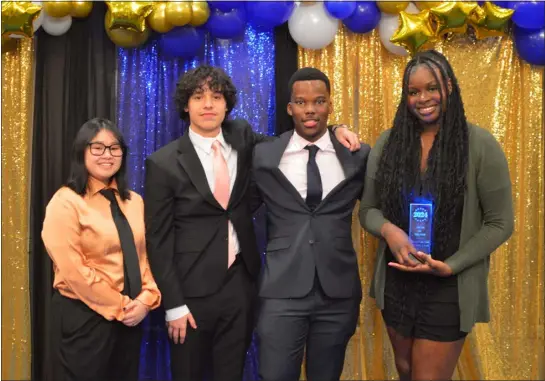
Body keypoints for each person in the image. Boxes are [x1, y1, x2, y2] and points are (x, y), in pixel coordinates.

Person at [143, 65, 360, 381]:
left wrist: (336, 128)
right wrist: (174, 304)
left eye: (216, 97)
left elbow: (297, 140)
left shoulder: (242, 137)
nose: (208, 105)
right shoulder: (162, 163)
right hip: (189, 294)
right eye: (198, 97)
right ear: (185, 105)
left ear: (227, 104)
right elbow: (158, 239)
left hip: (240, 288)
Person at [359, 50, 514, 381]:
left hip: (450, 286)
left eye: (432, 88)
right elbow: (368, 211)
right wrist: (389, 231)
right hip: (397, 281)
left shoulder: (480, 144)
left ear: (449, 87)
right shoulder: (389, 143)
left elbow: (500, 223)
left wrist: (452, 265)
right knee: (405, 370)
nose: (423, 99)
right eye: (413, 92)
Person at [252, 67, 371, 381]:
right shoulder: (264, 155)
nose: (310, 109)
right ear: (290, 108)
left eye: (319, 102)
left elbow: (376, 208)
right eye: (301, 102)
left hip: (337, 292)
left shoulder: (358, 155)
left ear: (330, 105)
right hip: (281, 291)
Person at [42, 118, 162, 381]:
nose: (107, 155)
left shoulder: (134, 202)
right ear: (81, 152)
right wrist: (121, 306)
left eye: (114, 148)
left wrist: (146, 299)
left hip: (131, 318)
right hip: (84, 318)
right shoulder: (66, 202)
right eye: (97, 148)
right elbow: (74, 271)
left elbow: (145, 257)